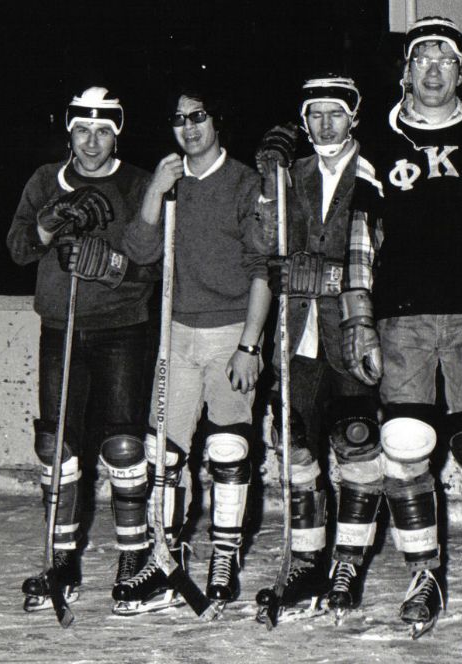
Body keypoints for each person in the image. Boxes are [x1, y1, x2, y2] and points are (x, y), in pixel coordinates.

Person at [342, 16, 462, 637]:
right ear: (406, 71)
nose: (433, 70)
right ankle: (424, 575)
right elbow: (361, 238)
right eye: (422, 59)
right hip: (402, 317)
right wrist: (359, 320)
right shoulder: (379, 141)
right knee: (403, 444)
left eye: (445, 60)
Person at [118, 82, 270, 613]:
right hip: (175, 333)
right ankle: (164, 557)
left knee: (228, 449)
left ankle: (224, 556)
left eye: (199, 116)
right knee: (163, 453)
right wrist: (155, 192)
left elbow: (263, 270)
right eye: (180, 119)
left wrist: (250, 345)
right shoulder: (170, 180)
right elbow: (140, 251)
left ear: (217, 120)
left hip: (231, 333)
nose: (190, 127)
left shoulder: (246, 183)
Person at [8, 87, 157, 613]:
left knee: (123, 446)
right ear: (69, 132)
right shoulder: (46, 180)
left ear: (117, 134)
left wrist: (113, 267)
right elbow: (18, 248)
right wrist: (48, 224)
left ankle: (134, 557)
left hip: (121, 328)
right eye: (82, 131)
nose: (91, 142)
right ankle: (61, 560)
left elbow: (159, 264)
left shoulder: (138, 183)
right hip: (62, 326)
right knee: (56, 445)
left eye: (103, 131)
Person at [250, 75, 384, 622]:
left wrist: (331, 278)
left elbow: (382, 249)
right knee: (296, 443)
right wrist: (268, 183)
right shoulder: (292, 174)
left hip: (352, 327)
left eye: (335, 114)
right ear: (304, 122)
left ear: (353, 118)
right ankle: (306, 561)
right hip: (300, 330)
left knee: (357, 441)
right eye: (315, 115)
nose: (325, 125)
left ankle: (348, 561)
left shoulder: (374, 170)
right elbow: (264, 245)